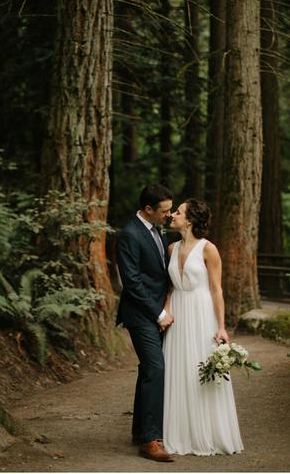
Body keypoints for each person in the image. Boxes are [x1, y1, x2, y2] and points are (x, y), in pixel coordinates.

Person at [161, 198, 244, 456]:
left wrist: (221, 327)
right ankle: (179, 432)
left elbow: (217, 290)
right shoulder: (172, 248)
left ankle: (208, 432)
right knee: (178, 369)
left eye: (178, 212)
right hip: (178, 315)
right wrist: (167, 311)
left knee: (201, 370)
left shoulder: (209, 249)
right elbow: (171, 287)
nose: (173, 214)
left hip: (201, 313)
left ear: (190, 220)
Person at [115, 184, 176, 462]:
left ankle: (140, 429)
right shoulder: (129, 235)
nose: (169, 215)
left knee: (147, 370)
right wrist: (158, 313)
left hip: (155, 311)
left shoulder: (156, 230)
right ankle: (150, 440)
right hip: (140, 314)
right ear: (149, 209)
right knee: (155, 367)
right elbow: (132, 282)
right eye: (164, 211)